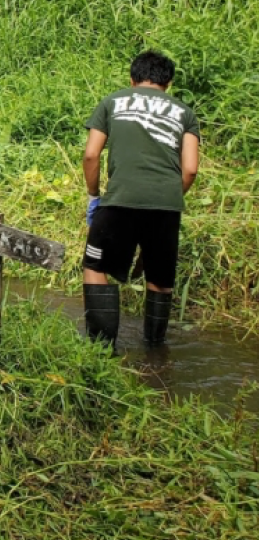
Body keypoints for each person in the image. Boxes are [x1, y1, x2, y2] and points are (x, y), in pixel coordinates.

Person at [82, 51, 199, 349]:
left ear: (132, 78)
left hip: (119, 199)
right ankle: (155, 350)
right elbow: (190, 169)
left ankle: (101, 350)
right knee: (160, 279)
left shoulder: (112, 102)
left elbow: (91, 154)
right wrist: (170, 196)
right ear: (168, 83)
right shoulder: (185, 113)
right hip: (166, 204)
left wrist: (94, 196)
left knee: (95, 267)